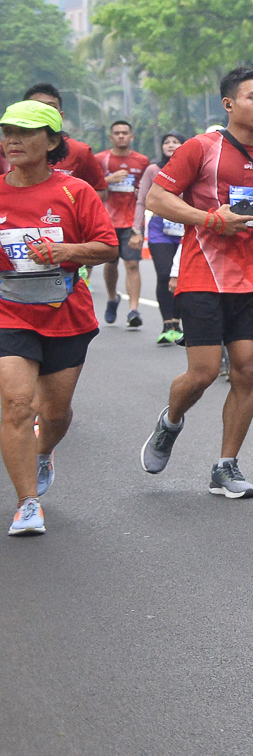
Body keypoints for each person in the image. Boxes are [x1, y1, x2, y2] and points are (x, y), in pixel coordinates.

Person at [135, 68, 253, 500]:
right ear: (229, 104)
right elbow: (157, 198)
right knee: (201, 374)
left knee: (245, 371)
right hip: (203, 274)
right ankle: (170, 422)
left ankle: (225, 466)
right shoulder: (201, 147)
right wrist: (210, 219)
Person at [0, 101, 116, 536]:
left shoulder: (75, 192)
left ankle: (43, 452)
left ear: (51, 142)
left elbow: (108, 246)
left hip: (65, 312)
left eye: (25, 132)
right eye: (8, 131)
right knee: (16, 404)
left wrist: (66, 251)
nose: (13, 140)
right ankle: (27, 503)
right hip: (9, 310)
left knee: (54, 413)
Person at [135, 133, 187, 344]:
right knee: (165, 274)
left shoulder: (191, 167)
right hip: (159, 228)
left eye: (175, 142)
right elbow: (141, 200)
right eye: (166, 142)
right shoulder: (153, 170)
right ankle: (168, 324)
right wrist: (136, 229)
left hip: (185, 226)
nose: (170, 145)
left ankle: (178, 322)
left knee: (181, 276)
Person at [100, 118, 150, 329]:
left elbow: (148, 188)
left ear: (131, 137)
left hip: (132, 220)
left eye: (125, 133)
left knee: (132, 264)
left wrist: (141, 191)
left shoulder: (142, 161)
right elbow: (89, 188)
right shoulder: (101, 160)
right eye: (117, 133)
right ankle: (113, 298)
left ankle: (133, 310)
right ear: (111, 137)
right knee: (111, 263)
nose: (121, 136)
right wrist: (108, 180)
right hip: (107, 220)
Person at [21, 85, 108, 198]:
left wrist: (70, 203)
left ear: (60, 116)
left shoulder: (80, 151)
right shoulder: (8, 150)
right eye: (37, 107)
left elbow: (100, 191)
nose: (44, 113)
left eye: (51, 108)